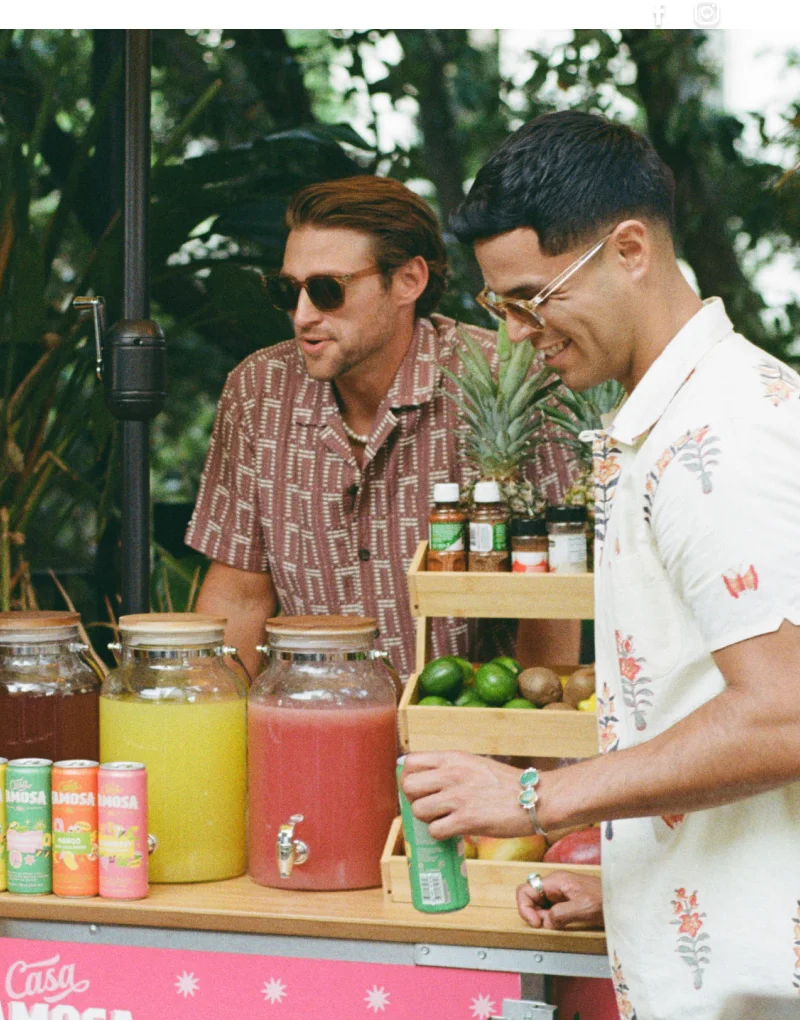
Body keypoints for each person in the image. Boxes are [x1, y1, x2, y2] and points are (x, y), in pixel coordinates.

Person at [401, 110, 800, 1020]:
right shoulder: (675, 423)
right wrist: (632, 878)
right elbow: (710, 704)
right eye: (499, 306)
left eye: (533, 298)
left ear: (630, 250)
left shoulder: (722, 439)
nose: (513, 334)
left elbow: (786, 714)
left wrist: (537, 795)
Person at [187, 175, 579, 678]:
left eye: (327, 290)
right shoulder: (257, 390)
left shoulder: (507, 382)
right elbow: (240, 596)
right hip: (314, 726)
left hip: (471, 735)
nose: (303, 315)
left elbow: (551, 602)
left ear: (409, 281)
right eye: (288, 291)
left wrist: (527, 742)